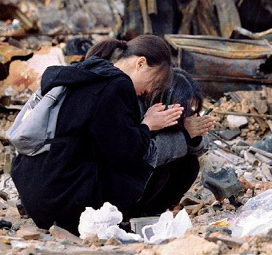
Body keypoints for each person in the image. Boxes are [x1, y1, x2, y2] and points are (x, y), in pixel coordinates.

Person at [11, 35, 184, 234]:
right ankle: (132, 218)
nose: (148, 90)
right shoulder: (117, 85)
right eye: (154, 81)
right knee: (140, 161)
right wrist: (148, 124)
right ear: (141, 63)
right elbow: (125, 151)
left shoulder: (86, 72)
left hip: (39, 196)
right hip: (67, 203)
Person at [85, 44, 214, 216]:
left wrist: (194, 136)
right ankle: (133, 215)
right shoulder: (136, 106)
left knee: (188, 164)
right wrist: (183, 135)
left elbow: (200, 146)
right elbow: (142, 154)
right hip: (107, 184)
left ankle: (151, 214)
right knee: (159, 169)